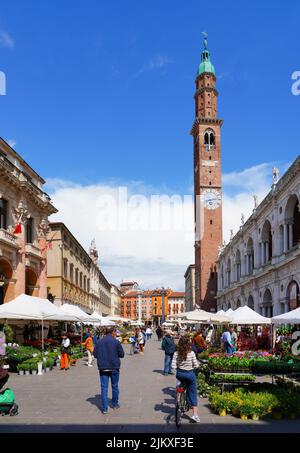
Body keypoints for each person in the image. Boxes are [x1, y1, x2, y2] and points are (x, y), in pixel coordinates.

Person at [93, 327, 125, 414]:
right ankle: (114, 404)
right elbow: (122, 354)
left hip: (103, 367)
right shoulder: (116, 342)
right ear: (113, 332)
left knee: (104, 388)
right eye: (115, 332)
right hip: (114, 367)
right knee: (114, 386)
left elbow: (95, 354)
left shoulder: (99, 342)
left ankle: (104, 408)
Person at [171, 336, 200, 423]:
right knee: (193, 392)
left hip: (179, 374)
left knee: (181, 385)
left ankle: (179, 401)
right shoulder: (191, 353)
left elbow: (173, 366)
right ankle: (195, 415)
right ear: (188, 344)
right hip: (190, 374)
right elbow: (196, 365)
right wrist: (196, 365)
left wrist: (179, 367)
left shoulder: (176, 353)